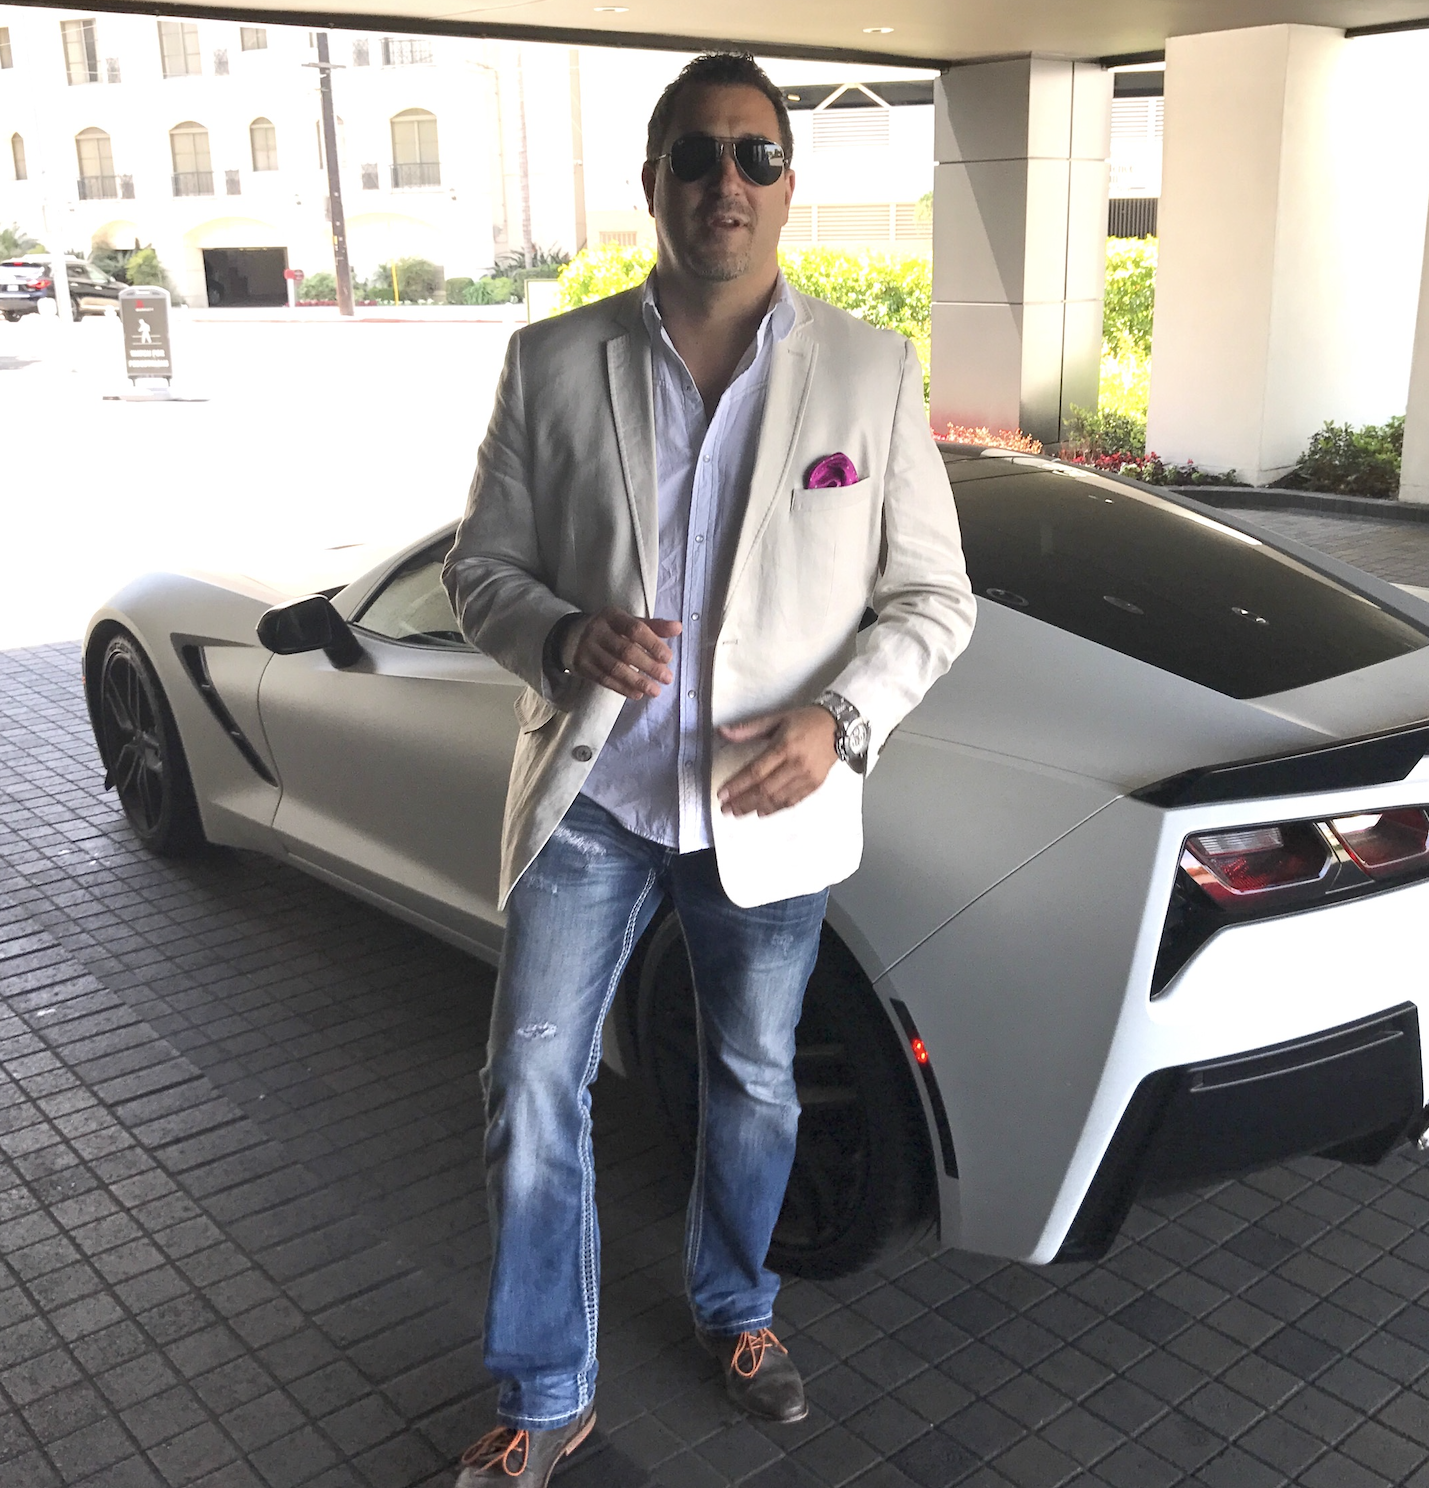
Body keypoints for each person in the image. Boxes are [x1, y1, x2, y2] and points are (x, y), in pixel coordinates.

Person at [442, 51, 976, 1487]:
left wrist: (839, 721)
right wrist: (564, 635)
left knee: (755, 1083)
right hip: (594, 802)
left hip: (773, 808)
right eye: (696, 155)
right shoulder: (553, 363)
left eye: (754, 156)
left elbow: (934, 601)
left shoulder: (868, 371)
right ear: (654, 182)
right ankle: (547, 1390)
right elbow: (477, 572)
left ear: (788, 186)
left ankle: (737, 1308)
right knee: (529, 1085)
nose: (724, 182)